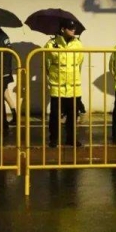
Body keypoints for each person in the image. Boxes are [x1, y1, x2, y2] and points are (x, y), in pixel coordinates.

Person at [45, 19, 83, 147]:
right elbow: (47, 64)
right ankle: (54, 139)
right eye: (70, 28)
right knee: (55, 115)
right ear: (62, 29)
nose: (73, 30)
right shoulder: (51, 44)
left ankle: (71, 138)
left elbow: (80, 63)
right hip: (58, 87)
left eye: (74, 28)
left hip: (74, 86)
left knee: (73, 115)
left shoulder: (78, 44)